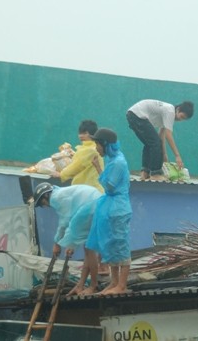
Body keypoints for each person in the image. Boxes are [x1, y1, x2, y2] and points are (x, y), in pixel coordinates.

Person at [85, 128, 133, 295]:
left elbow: (109, 187)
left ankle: (122, 285)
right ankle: (114, 282)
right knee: (112, 245)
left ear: (105, 145)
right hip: (111, 207)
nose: (96, 148)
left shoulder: (118, 162)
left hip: (118, 207)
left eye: (97, 144)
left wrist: (98, 168)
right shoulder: (112, 159)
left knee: (120, 244)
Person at [33, 182, 102, 296]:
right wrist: (70, 243)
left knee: (89, 250)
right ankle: (81, 284)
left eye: (42, 203)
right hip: (95, 204)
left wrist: (57, 243)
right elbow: (69, 220)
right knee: (88, 249)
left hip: (90, 206)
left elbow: (64, 222)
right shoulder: (60, 193)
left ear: (45, 196)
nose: (45, 206)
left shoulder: (56, 197)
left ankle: (93, 286)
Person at [126, 99, 194, 181]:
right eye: (182, 116)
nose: (180, 120)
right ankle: (155, 173)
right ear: (178, 109)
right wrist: (177, 156)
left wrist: (164, 154)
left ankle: (145, 173)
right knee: (154, 143)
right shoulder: (170, 111)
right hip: (137, 115)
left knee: (150, 144)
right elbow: (168, 135)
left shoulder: (167, 114)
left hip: (132, 115)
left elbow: (162, 136)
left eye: (183, 119)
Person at [51, 120, 104, 193]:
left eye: (85, 133)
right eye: (80, 133)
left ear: (92, 134)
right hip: (92, 190)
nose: (81, 136)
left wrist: (61, 174)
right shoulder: (92, 147)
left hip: (88, 191)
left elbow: (76, 166)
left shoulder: (89, 150)